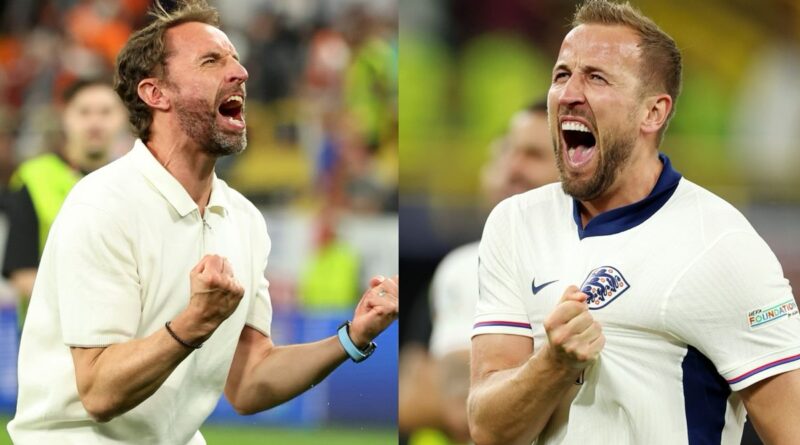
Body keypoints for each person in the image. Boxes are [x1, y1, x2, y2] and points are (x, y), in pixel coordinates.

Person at [7, 1, 399, 443]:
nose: (241, 72)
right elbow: (98, 392)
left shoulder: (245, 220)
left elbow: (249, 382)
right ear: (156, 94)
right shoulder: (103, 204)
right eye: (212, 61)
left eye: (234, 58)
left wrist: (350, 338)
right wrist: (194, 323)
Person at [468, 1, 800, 445]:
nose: (569, 92)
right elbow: (489, 430)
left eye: (596, 77)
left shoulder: (721, 244)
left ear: (653, 113)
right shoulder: (515, 223)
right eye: (562, 74)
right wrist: (553, 365)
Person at [399, 101, 558, 443]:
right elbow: (460, 408)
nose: (509, 169)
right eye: (504, 154)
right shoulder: (467, 264)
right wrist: (558, 369)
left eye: (533, 155)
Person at [2, 77, 127, 329]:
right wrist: (89, 307)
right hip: (51, 339)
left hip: (122, 334)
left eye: (105, 112)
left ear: (123, 117)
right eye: (84, 112)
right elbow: (22, 273)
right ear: (65, 117)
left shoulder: (134, 180)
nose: (95, 122)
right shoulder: (34, 177)